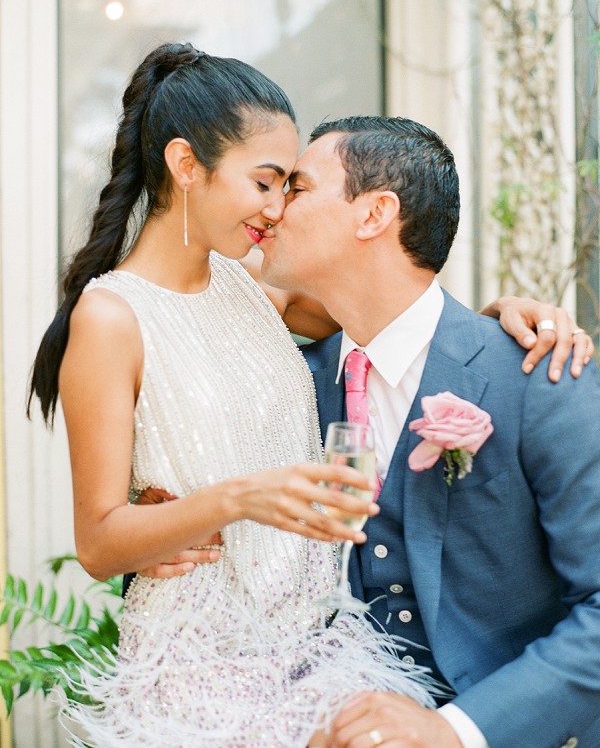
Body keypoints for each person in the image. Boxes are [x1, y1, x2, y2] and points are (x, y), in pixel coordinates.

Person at [29, 41, 588, 745]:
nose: (275, 208)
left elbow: (405, 323)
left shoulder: (264, 293)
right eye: (267, 182)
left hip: (331, 660)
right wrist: (228, 499)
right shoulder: (115, 317)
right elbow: (101, 538)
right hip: (203, 663)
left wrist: (504, 317)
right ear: (186, 166)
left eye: (292, 186)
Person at [253, 115, 599, 748]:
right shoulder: (296, 381)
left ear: (374, 214)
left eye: (297, 188)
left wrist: (456, 732)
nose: (272, 208)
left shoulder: (538, 375)